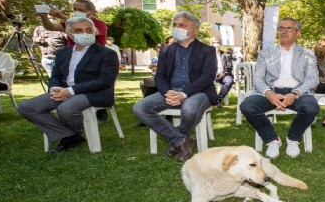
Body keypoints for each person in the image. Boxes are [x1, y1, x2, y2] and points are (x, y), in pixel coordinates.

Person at [17, 17, 119, 153]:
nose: (85, 33)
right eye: (79, 30)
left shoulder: (107, 53)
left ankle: (72, 134)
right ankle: (70, 136)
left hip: (95, 92)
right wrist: (55, 88)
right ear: (70, 34)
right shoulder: (62, 53)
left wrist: (70, 91)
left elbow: (105, 80)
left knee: (66, 109)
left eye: (89, 30)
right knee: (26, 107)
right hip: (64, 91)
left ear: (94, 31)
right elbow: (56, 76)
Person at [133, 11, 217, 163]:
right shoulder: (166, 50)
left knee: (189, 109)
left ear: (195, 30)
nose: (177, 28)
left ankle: (177, 141)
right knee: (140, 107)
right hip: (171, 91)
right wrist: (167, 92)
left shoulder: (207, 50)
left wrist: (183, 94)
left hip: (199, 92)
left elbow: (208, 76)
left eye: (182, 25)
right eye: (175, 25)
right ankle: (181, 140)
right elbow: (159, 76)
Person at [240, 17, 319, 159]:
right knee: (247, 106)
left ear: (298, 33)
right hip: (271, 91)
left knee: (311, 107)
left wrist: (295, 93)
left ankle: (293, 139)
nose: (284, 31)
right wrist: (269, 94)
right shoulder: (266, 53)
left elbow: (312, 79)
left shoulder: (307, 54)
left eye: (289, 28)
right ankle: (272, 140)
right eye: (281, 28)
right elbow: (258, 78)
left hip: (298, 92)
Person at [36, 0, 107, 46]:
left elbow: (85, 30)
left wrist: (64, 16)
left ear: (91, 12)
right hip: (74, 57)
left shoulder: (100, 24)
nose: (76, 12)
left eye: (80, 10)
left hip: (94, 59)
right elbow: (51, 27)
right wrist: (44, 17)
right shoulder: (70, 22)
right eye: (75, 9)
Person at [211, 37, 234, 107]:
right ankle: (208, 101)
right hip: (211, 75)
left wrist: (224, 73)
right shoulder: (207, 55)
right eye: (214, 43)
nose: (216, 44)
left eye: (217, 42)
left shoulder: (226, 54)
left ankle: (218, 100)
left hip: (224, 75)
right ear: (211, 44)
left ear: (220, 44)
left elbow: (230, 66)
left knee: (229, 81)